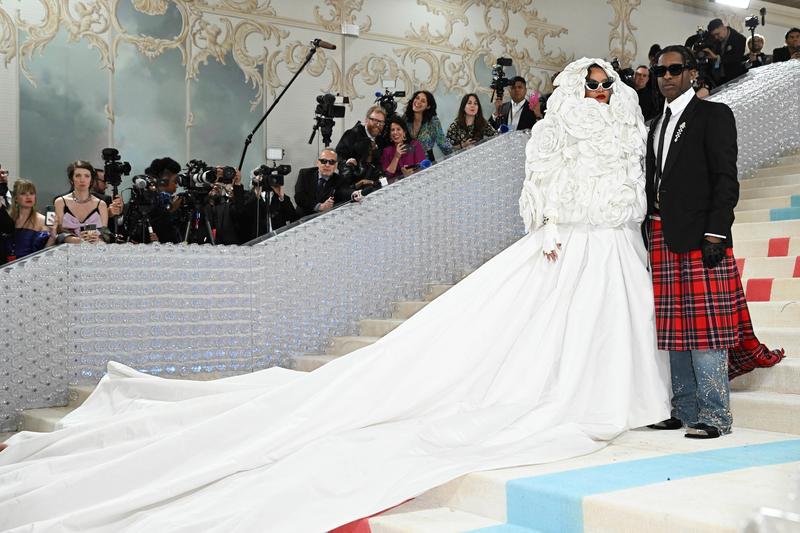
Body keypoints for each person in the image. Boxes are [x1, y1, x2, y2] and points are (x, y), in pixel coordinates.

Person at [0, 58, 671, 532]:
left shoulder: (624, 128)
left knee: (610, 323)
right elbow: (544, 177)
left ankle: (623, 389)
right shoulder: (560, 126)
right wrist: (548, 222)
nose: (598, 92)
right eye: (589, 83)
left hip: (615, 242)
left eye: (602, 84)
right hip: (568, 241)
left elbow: (632, 187)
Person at [644, 45, 784, 440]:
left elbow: (726, 178)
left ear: (692, 72)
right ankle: (683, 409)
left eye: (675, 69)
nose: (667, 76)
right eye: (661, 71)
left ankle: (716, 416)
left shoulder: (714, 114)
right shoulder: (655, 123)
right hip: (660, 233)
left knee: (706, 330)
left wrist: (716, 233)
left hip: (702, 235)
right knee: (672, 329)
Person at [54, 161, 109, 244]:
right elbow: (58, 232)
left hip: (94, 249)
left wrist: (97, 239)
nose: (82, 179)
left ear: (91, 180)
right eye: (78, 176)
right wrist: (77, 240)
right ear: (71, 179)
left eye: (87, 176)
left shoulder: (101, 204)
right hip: (67, 249)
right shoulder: (60, 202)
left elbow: (105, 234)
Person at [3, 179, 56, 262]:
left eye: (31, 193)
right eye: (23, 193)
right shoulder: (7, 219)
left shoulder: (42, 220)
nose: (28, 197)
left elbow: (45, 253)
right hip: (4, 265)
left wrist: (53, 235)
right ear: (16, 198)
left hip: (32, 266)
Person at [294, 149, 352, 217]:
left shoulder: (340, 180)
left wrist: (354, 193)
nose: (327, 165)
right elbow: (299, 197)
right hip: (302, 219)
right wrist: (319, 206)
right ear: (318, 163)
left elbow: (345, 192)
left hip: (326, 219)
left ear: (336, 165)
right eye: (323, 161)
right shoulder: (305, 174)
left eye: (331, 162)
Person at [335, 105, 389, 174]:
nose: (378, 125)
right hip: (353, 179)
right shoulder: (352, 134)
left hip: (373, 179)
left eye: (381, 122)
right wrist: (347, 164)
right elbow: (338, 156)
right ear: (366, 120)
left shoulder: (381, 139)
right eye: (375, 121)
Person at [403, 90, 452, 161]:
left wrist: (458, 154)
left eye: (423, 101)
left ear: (428, 106)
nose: (418, 102)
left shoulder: (433, 122)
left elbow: (443, 143)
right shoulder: (405, 118)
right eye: (417, 98)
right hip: (407, 162)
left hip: (426, 163)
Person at [380, 116, 425, 181]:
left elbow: (423, 166)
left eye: (398, 129)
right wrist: (396, 156)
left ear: (404, 132)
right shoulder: (387, 151)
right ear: (390, 135)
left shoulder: (414, 145)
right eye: (392, 130)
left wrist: (411, 174)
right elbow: (387, 176)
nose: (395, 132)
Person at [704, 18, 746, 85]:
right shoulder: (715, 41)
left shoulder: (739, 39)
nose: (716, 37)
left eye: (717, 34)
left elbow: (736, 57)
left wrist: (717, 57)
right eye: (714, 35)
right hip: (718, 80)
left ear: (722, 27)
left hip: (734, 79)